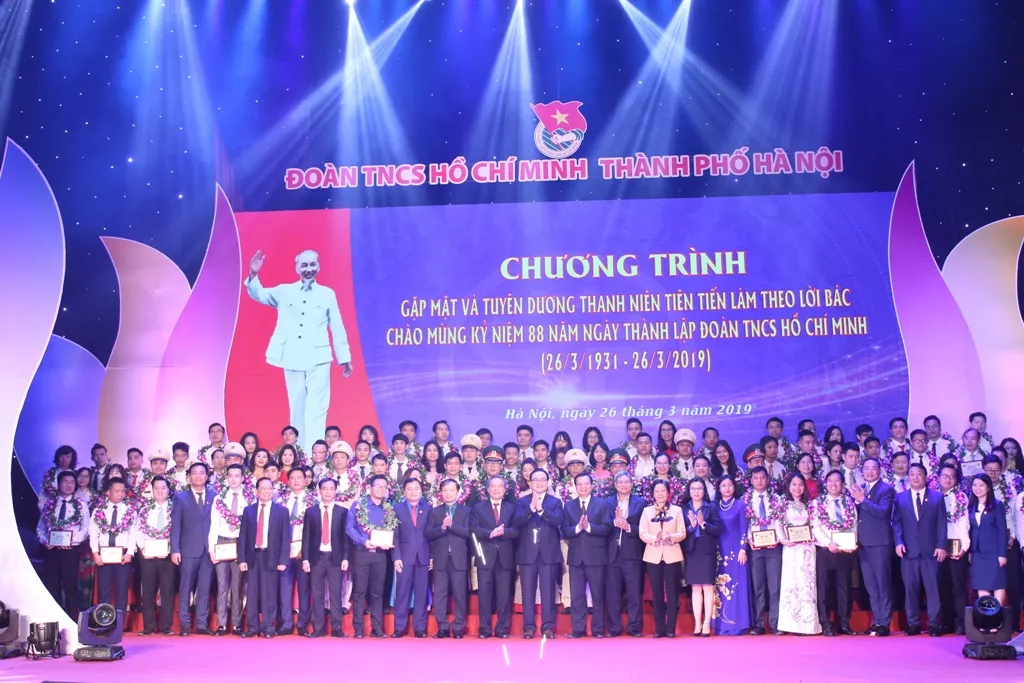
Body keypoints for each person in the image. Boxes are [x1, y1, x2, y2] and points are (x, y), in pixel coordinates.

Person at [245, 249, 354, 452]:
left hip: (319, 359)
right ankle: (299, 454)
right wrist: (253, 274)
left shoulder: (327, 294)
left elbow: (337, 326)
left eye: (312, 264)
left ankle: (316, 454)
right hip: (292, 357)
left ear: (318, 267)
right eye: (304, 265)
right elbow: (258, 294)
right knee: (297, 407)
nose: (308, 269)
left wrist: (344, 358)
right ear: (297, 268)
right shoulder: (284, 291)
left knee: (317, 408)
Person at [892, 463, 948, 636]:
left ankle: (934, 624)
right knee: (910, 589)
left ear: (926, 477)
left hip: (931, 551)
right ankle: (913, 624)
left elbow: (942, 523)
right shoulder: (900, 498)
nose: (915, 477)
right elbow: (896, 523)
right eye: (912, 474)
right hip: (909, 551)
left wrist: (941, 545)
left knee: (933, 589)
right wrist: (898, 542)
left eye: (919, 474)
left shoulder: (937, 497)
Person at [513, 468, 564, 639]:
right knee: (527, 592)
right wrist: (531, 509)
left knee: (548, 591)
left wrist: (542, 510)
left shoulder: (555, 502)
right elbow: (517, 522)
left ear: (548, 482)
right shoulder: (521, 502)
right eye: (536, 479)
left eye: (543, 479)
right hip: (527, 553)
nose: (540, 482)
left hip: (548, 553)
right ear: (529, 482)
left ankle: (548, 627)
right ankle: (528, 627)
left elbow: (558, 521)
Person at [238, 478, 291, 637]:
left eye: (269, 488)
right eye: (263, 488)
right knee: (252, 593)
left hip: (271, 557)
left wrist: (283, 560)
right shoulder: (248, 510)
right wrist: (242, 559)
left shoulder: (281, 511)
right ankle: (253, 627)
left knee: (270, 594)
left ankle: (268, 627)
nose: (267, 491)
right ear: (256, 491)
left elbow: (285, 537)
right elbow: (243, 536)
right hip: (253, 557)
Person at [561, 472, 611, 638]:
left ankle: (598, 629)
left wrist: (589, 527)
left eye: (586, 483)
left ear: (592, 485)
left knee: (597, 594)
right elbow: (564, 530)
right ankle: (578, 629)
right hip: (576, 557)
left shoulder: (602, 504)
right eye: (580, 484)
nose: (583, 487)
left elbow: (607, 528)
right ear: (575, 487)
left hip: (596, 556)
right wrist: (578, 528)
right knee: (577, 596)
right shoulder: (569, 505)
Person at [849, 455, 895, 636]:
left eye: (873, 468)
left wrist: (863, 500)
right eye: (866, 468)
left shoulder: (886, 489)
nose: (869, 472)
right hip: (863, 543)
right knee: (870, 585)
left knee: (883, 583)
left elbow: (883, 512)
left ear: (879, 471)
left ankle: (885, 622)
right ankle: (876, 620)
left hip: (880, 543)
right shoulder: (860, 488)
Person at [345, 475, 395, 638]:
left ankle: (377, 628)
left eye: (384, 487)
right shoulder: (359, 505)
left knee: (377, 592)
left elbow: (392, 530)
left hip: (381, 555)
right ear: (370, 488)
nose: (381, 489)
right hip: (362, 553)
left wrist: (388, 542)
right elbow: (349, 528)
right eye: (378, 486)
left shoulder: (388, 508)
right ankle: (358, 628)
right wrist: (363, 541)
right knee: (359, 591)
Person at [37, 470, 89, 623]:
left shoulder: (81, 505)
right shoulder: (50, 504)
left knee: (70, 586)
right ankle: (53, 621)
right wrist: (45, 541)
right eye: (65, 482)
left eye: (72, 482)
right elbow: (40, 527)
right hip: (51, 552)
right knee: (52, 586)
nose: (69, 485)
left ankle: (72, 621)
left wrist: (71, 541)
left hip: (70, 552)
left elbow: (85, 529)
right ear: (58, 484)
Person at [170, 461, 215, 635]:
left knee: (204, 588)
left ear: (206, 476)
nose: (198, 476)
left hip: (208, 551)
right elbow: (176, 526)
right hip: (188, 550)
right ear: (189, 477)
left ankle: (202, 624)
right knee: (185, 588)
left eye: (201, 473)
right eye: (194, 473)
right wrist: (175, 549)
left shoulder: (214, 496)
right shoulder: (181, 498)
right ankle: (184, 624)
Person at [811, 470, 858, 636]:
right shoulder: (817, 503)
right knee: (824, 587)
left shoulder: (849, 503)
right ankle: (826, 623)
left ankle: (843, 623)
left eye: (837, 481)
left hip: (844, 551)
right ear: (825, 484)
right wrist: (828, 543)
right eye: (830, 481)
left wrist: (851, 542)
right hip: (825, 551)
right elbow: (815, 527)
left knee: (844, 587)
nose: (833, 484)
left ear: (843, 484)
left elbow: (854, 524)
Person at [302, 477, 350, 637]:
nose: (328, 492)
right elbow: (306, 537)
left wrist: (345, 558)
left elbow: (345, 538)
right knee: (318, 594)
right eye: (324, 488)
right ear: (319, 491)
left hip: (335, 559)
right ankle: (318, 628)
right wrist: (305, 559)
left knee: (336, 594)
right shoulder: (311, 512)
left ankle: (337, 628)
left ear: (336, 491)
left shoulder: (342, 512)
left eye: (331, 489)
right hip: (316, 559)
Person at [208, 463, 250, 635]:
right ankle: (222, 624)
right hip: (222, 543)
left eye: (237, 476)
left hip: (239, 543)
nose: (233, 479)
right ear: (226, 477)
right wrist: (212, 549)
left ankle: (237, 624)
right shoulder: (219, 498)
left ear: (242, 478)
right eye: (230, 476)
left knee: (237, 586)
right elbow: (214, 525)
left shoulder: (249, 497)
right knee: (222, 585)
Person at [639, 479, 685, 638]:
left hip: (672, 554)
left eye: (663, 491)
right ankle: (659, 628)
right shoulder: (647, 511)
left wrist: (670, 537)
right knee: (656, 592)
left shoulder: (677, 510)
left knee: (673, 592)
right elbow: (642, 533)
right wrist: (655, 538)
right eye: (657, 491)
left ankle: (671, 628)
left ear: (668, 493)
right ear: (652, 494)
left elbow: (682, 532)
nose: (660, 494)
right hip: (653, 555)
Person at [426, 478, 471, 638]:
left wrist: (452, 526)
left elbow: (469, 532)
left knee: (460, 594)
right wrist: (442, 528)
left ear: (458, 492)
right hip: (440, 558)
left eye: (451, 490)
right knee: (440, 594)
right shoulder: (435, 511)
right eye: (445, 490)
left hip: (459, 558)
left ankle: (458, 627)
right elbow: (428, 533)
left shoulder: (466, 511)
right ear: (441, 493)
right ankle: (443, 627)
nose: (448, 493)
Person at [777, 473, 820, 635]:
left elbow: (815, 524)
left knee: (806, 584)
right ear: (788, 486)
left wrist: (812, 537)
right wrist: (782, 539)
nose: (797, 488)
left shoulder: (810, 505)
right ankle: (789, 624)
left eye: (800, 484)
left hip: (806, 549)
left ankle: (807, 624)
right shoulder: (782, 504)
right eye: (794, 484)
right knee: (790, 583)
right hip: (791, 548)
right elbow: (778, 523)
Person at [604, 471, 645, 638]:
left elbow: (644, 529)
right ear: (615, 485)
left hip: (632, 554)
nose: (623, 484)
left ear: (632, 484)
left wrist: (628, 527)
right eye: (620, 482)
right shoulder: (606, 503)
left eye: (626, 481)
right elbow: (602, 526)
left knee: (634, 593)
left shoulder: (641, 503)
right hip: (612, 554)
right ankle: (614, 628)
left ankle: (634, 627)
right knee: (612, 594)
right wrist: (614, 522)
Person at [133, 475, 174, 635]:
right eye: (156, 488)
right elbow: (138, 531)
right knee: (148, 592)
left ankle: (166, 627)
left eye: (163, 488)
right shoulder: (145, 510)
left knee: (167, 592)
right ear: (152, 490)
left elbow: (177, 532)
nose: (159, 491)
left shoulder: (174, 509)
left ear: (168, 490)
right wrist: (143, 548)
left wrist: (170, 549)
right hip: (148, 557)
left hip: (167, 557)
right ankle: (148, 626)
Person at [745, 465, 784, 634]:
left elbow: (781, 522)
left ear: (767, 480)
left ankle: (775, 624)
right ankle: (759, 624)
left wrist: (778, 538)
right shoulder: (745, 500)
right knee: (758, 587)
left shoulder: (777, 499)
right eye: (756, 478)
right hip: (755, 548)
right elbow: (745, 524)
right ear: (751, 480)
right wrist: (749, 539)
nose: (759, 481)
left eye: (762, 477)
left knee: (775, 587)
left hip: (774, 547)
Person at [392, 477, 431, 638]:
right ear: (404, 491)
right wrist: (396, 557)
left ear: (421, 491)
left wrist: (432, 557)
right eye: (409, 488)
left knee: (421, 593)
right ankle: (399, 627)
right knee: (402, 592)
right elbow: (394, 535)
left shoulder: (429, 509)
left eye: (416, 488)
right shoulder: (396, 509)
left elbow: (432, 535)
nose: (413, 492)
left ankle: (419, 628)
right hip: (404, 557)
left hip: (424, 557)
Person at [89, 477, 135, 612]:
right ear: (108, 492)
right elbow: (93, 533)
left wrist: (130, 553)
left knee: (122, 591)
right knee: (104, 592)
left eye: (123, 491)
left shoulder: (130, 510)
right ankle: (104, 620)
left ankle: (120, 621)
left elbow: (133, 533)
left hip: (123, 556)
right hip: (104, 556)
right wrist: (95, 553)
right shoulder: (99, 510)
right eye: (117, 491)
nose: (121, 494)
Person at [713, 474, 751, 635]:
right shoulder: (714, 506)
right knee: (720, 587)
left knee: (737, 586)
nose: (727, 488)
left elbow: (744, 528)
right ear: (719, 488)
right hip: (719, 551)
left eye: (730, 485)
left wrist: (743, 549)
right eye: (723, 485)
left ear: (734, 487)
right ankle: (721, 625)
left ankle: (739, 624)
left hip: (737, 552)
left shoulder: (740, 505)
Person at [682, 477, 721, 636]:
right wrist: (691, 527)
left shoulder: (711, 507)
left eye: (699, 488)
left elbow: (718, 529)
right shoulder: (684, 508)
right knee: (695, 587)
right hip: (692, 551)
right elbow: (681, 532)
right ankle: (697, 624)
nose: (696, 492)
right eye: (693, 489)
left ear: (704, 491)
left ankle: (707, 624)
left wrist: (703, 524)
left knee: (708, 587)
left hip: (707, 551)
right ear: (689, 491)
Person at [279, 466, 314, 635]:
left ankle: (302, 624)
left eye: (300, 478)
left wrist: (306, 549)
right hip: (284, 552)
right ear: (288, 480)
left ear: (305, 480)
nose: (296, 481)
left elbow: (316, 528)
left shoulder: (313, 501)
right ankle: (285, 624)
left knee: (304, 589)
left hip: (303, 552)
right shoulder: (280, 500)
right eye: (292, 478)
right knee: (284, 589)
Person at [937, 463, 971, 635]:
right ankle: (947, 622)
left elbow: (964, 523)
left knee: (958, 586)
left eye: (952, 476)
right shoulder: (933, 495)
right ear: (938, 477)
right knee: (942, 586)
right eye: (945, 475)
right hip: (937, 547)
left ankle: (961, 623)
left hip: (956, 545)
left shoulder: (961, 497)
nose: (948, 479)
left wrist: (964, 547)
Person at [968, 474, 1009, 605]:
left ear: (988, 487)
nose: (977, 488)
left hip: (994, 552)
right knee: (981, 584)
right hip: (977, 552)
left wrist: (1002, 554)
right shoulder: (971, 505)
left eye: (981, 485)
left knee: (997, 583)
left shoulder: (997, 505)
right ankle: (986, 615)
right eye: (975, 485)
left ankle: (997, 616)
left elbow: (1002, 530)